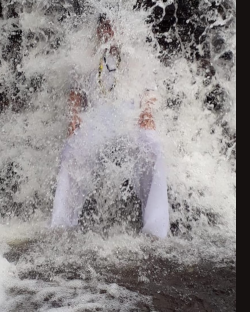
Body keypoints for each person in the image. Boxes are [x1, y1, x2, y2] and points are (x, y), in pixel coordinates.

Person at [50, 15, 170, 239]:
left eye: (114, 27)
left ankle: (156, 229)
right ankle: (61, 224)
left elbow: (152, 92)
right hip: (97, 120)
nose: (109, 32)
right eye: (105, 27)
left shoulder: (138, 56)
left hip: (130, 119)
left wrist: (146, 113)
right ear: (98, 30)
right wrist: (74, 116)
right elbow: (75, 92)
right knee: (71, 150)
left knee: (153, 147)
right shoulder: (87, 56)